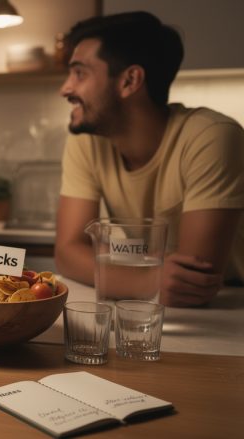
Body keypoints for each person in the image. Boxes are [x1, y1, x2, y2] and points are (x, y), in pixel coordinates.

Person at [55, 11, 244, 307]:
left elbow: (190, 283)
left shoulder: (211, 136)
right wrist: (148, 282)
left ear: (130, 81)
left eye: (79, 73)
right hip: (161, 306)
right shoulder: (87, 142)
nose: (65, 88)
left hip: (231, 303)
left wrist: (134, 280)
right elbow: (67, 252)